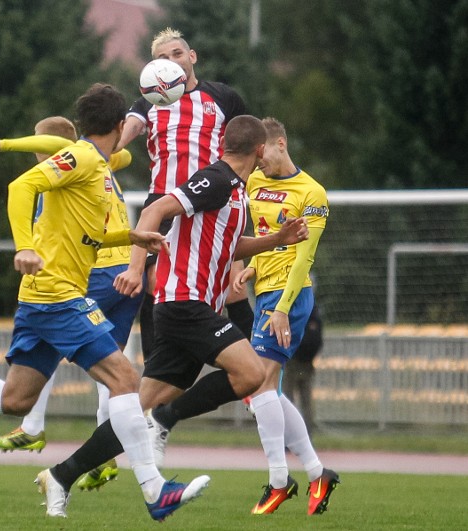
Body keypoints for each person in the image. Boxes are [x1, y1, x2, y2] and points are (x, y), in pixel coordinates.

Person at [0, 84, 209, 522]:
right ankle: (154, 490)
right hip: (57, 295)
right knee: (125, 379)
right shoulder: (85, 157)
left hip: (45, 297)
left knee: (16, 399)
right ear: (117, 125)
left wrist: (129, 236)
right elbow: (20, 186)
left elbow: (84, 234)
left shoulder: (99, 166)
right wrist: (24, 246)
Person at [40, 115, 309, 498]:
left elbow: (227, 248)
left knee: (136, 410)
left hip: (190, 308)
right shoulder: (216, 180)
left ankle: (62, 475)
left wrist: (276, 239)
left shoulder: (235, 190)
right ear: (259, 149)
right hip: (185, 303)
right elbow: (155, 211)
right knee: (253, 373)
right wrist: (136, 268)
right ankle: (166, 419)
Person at [0, 115, 140, 491]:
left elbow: (56, 147)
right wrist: (124, 133)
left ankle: (32, 427)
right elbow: (121, 154)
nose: (36, 151)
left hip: (96, 273)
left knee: (65, 344)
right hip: (123, 269)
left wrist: (5, 143)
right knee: (114, 373)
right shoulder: (104, 160)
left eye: (37, 144)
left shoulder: (74, 159)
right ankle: (106, 456)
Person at [117, 28, 255, 363]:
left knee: (233, 288)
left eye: (177, 54)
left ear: (191, 57)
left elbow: (247, 144)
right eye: (162, 58)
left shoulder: (222, 97)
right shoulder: (148, 99)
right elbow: (127, 131)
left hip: (213, 200)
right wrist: (109, 150)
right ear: (153, 67)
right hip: (163, 204)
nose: (171, 61)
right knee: (154, 283)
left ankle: (261, 373)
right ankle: (155, 369)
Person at [231, 117, 338, 515]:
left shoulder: (312, 193)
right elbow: (268, 238)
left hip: (289, 299)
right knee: (264, 392)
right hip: (265, 295)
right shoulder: (255, 184)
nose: (260, 163)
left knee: (256, 387)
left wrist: (280, 308)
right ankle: (316, 472)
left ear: (280, 142)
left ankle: (279, 480)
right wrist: (254, 268)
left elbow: (302, 257)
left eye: (264, 154)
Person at [284, 302, 323, 430]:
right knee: (306, 402)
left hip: (293, 360)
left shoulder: (293, 306)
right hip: (307, 363)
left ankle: (290, 436)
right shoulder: (314, 311)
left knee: (287, 399)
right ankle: (307, 436)